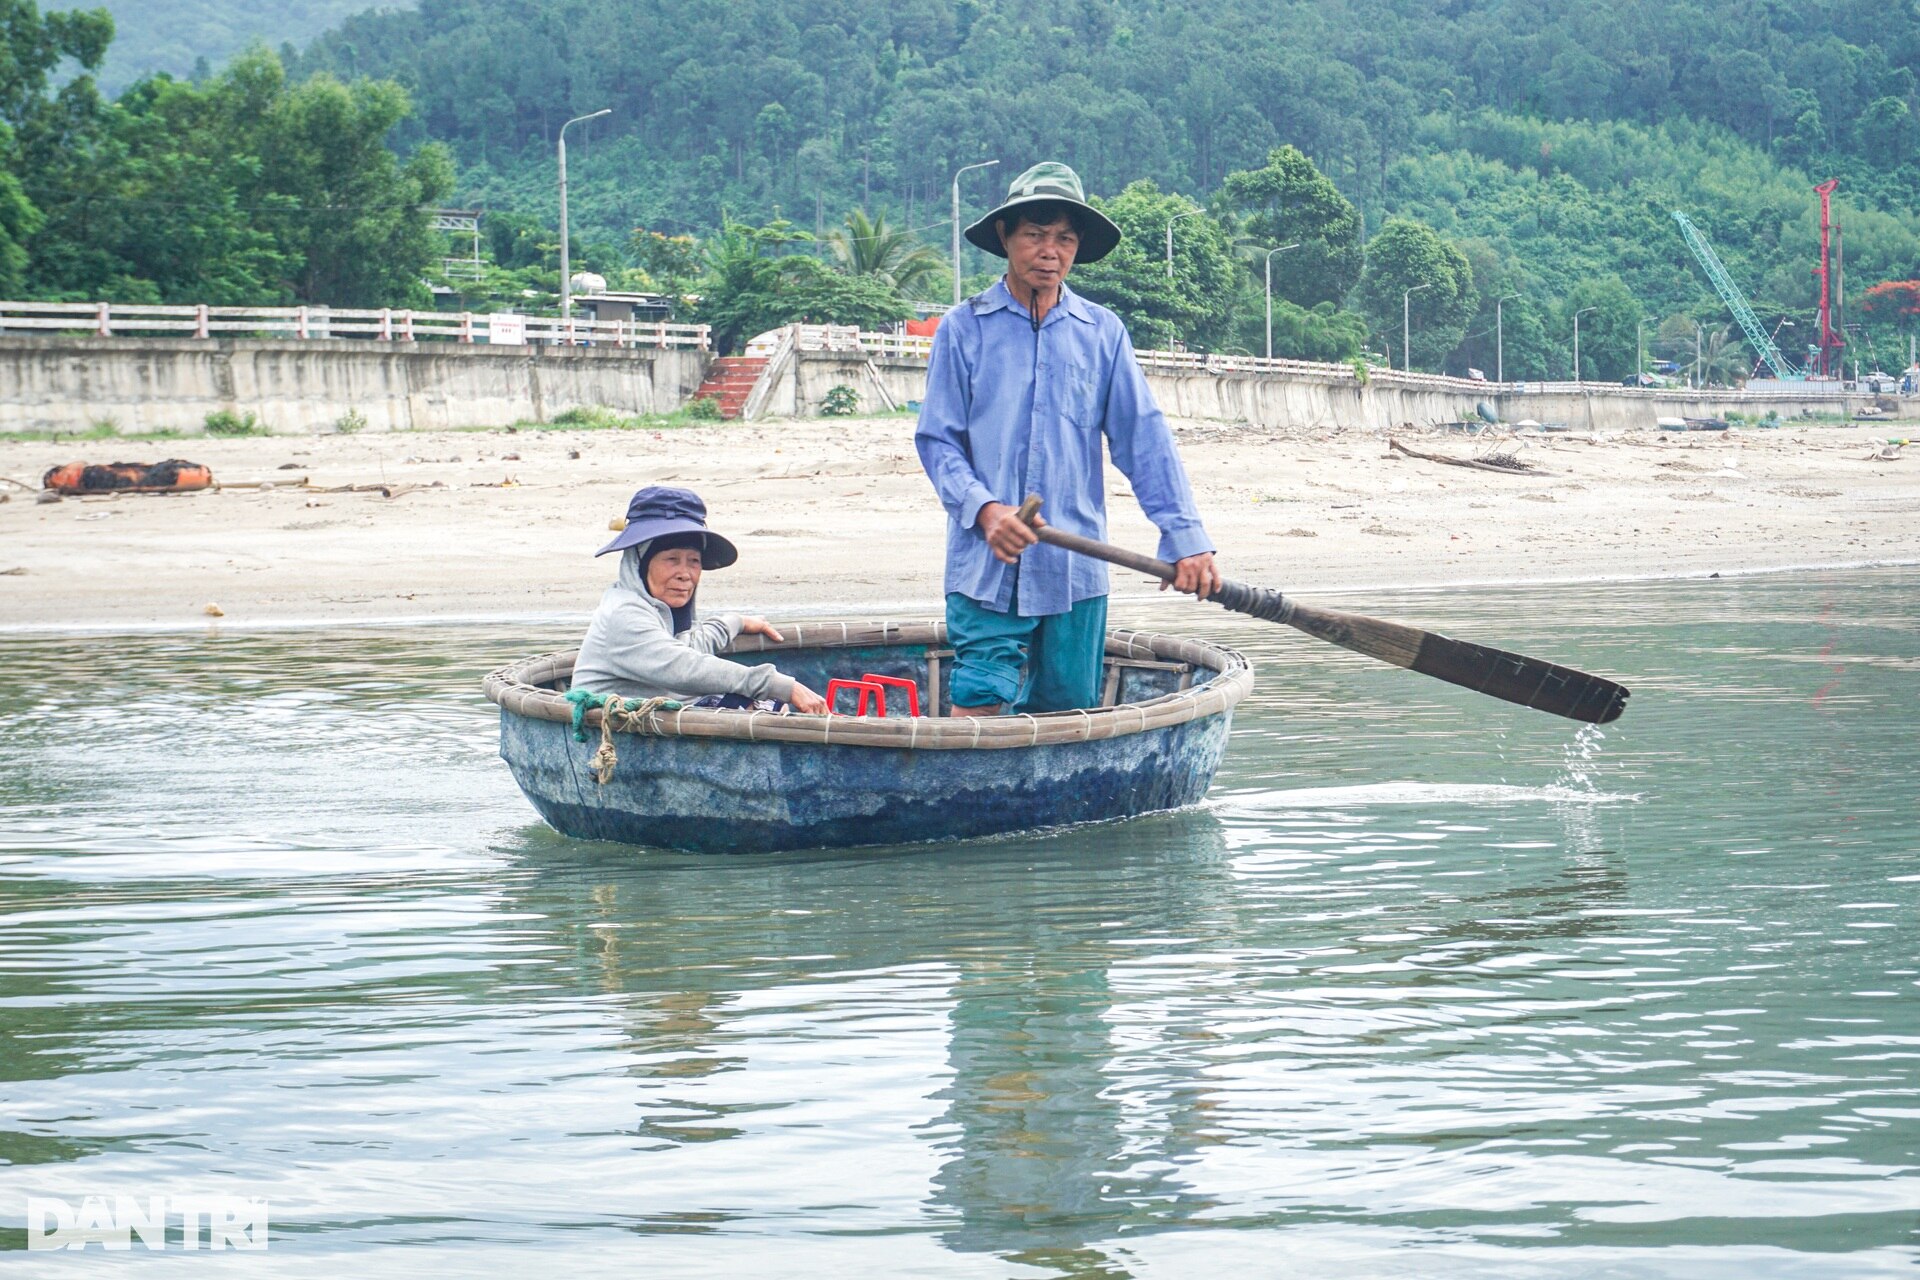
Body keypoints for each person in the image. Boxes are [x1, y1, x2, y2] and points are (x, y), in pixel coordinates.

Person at [915, 161, 1222, 717]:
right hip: (986, 565)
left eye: (1064, 238)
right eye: (1034, 235)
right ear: (1006, 237)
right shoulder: (964, 328)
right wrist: (986, 511)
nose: (1049, 251)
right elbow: (937, 442)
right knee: (980, 701)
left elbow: (1143, 438)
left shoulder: (1102, 333)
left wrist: (1185, 535)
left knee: (1068, 711)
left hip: (1075, 569)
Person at [571, 485, 828, 714]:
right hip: (617, 730)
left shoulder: (661, 609)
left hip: (660, 717)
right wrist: (777, 684)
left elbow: (691, 646)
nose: (685, 574)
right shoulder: (623, 613)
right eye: (671, 559)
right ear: (640, 563)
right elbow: (684, 666)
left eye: (693, 561)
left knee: (770, 707)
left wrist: (735, 622)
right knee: (763, 702)